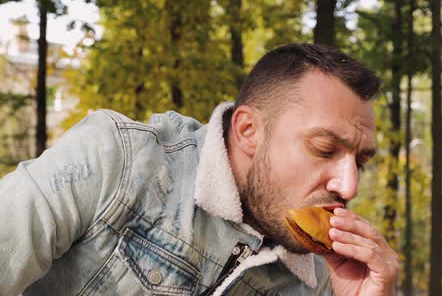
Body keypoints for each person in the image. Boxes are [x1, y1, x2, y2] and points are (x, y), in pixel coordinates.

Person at [0, 43, 399, 295]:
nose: (349, 186)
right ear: (248, 131)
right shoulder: (115, 161)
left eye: (360, 162)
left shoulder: (330, 280)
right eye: (325, 148)